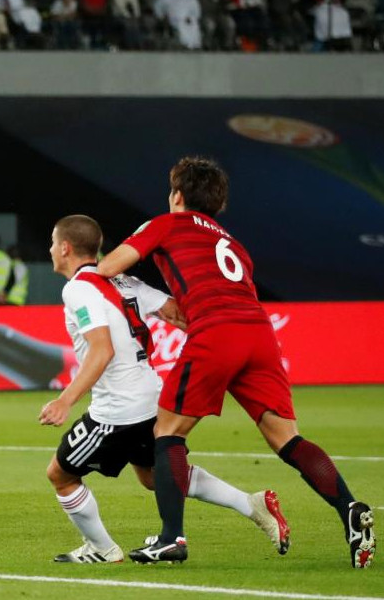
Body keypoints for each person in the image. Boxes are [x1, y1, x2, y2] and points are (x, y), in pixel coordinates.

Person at [97, 157, 375, 567]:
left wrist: (144, 294)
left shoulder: (165, 224)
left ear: (177, 195)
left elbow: (107, 268)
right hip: (260, 333)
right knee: (286, 438)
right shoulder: (233, 244)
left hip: (216, 331)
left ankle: (171, 538)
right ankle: (349, 508)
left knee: (167, 431)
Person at [42, 214, 290, 564]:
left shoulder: (78, 289)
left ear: (65, 248)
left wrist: (65, 401)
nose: (51, 249)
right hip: (152, 400)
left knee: (60, 474)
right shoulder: (126, 281)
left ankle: (102, 549)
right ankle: (251, 504)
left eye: (53, 242)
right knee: (156, 477)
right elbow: (180, 314)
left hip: (118, 411)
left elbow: (102, 350)